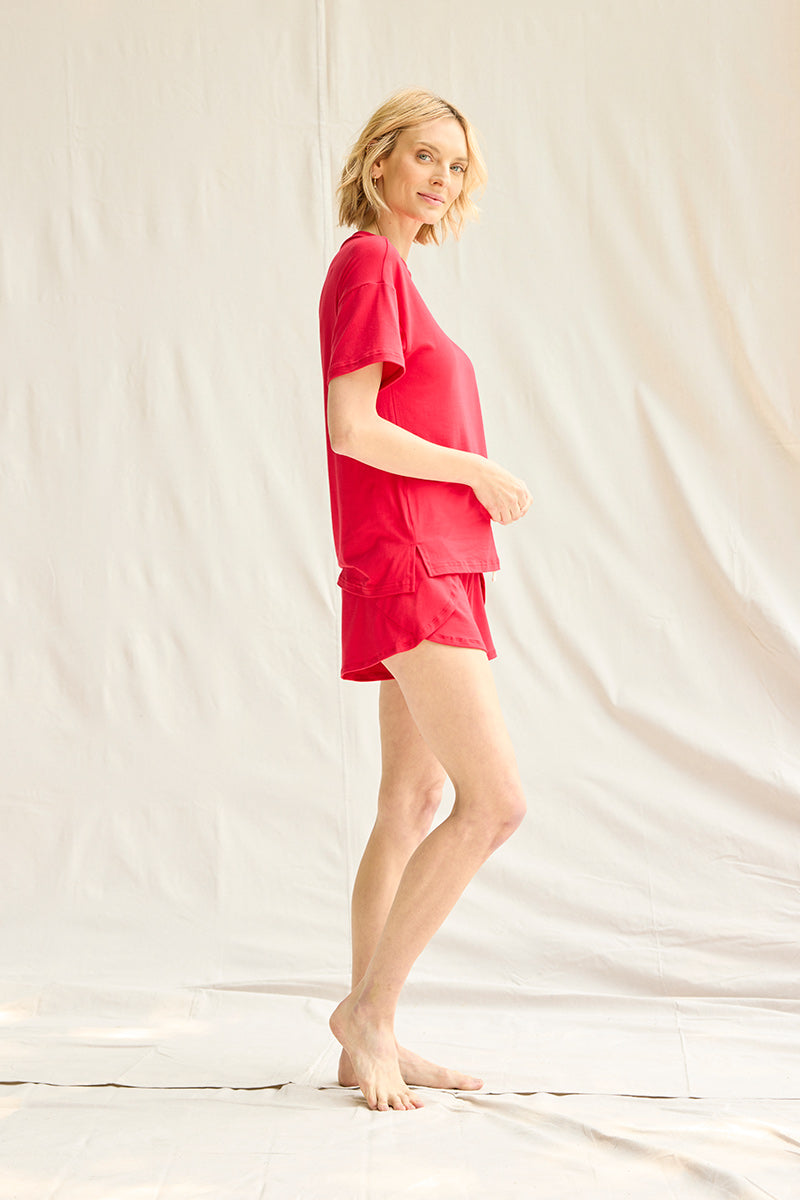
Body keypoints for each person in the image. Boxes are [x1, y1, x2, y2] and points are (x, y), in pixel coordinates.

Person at [318, 88, 531, 1112]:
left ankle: (378, 1035)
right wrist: (473, 470)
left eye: (455, 164)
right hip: (411, 559)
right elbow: (351, 426)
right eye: (423, 156)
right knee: (495, 803)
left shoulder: (393, 271)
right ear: (377, 164)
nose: (441, 177)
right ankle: (366, 1014)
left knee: (410, 803)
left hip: (426, 558)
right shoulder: (368, 264)